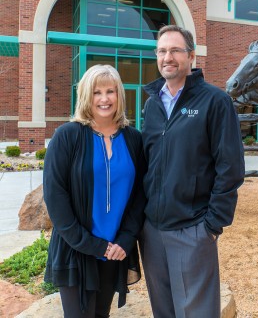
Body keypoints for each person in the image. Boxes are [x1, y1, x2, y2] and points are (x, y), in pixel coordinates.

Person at [141, 25, 245, 318]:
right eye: (162, 51)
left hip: (193, 228)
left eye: (175, 50)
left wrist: (211, 225)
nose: (167, 57)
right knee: (164, 312)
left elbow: (231, 168)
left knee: (197, 313)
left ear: (191, 56)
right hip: (152, 231)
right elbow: (147, 163)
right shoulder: (152, 105)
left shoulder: (215, 102)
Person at [43, 64, 146, 317]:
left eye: (110, 91)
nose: (104, 99)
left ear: (119, 95)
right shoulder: (67, 136)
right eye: (96, 92)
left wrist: (125, 240)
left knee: (101, 315)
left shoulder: (134, 139)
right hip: (76, 249)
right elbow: (55, 196)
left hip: (115, 250)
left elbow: (141, 194)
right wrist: (92, 245)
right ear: (86, 96)